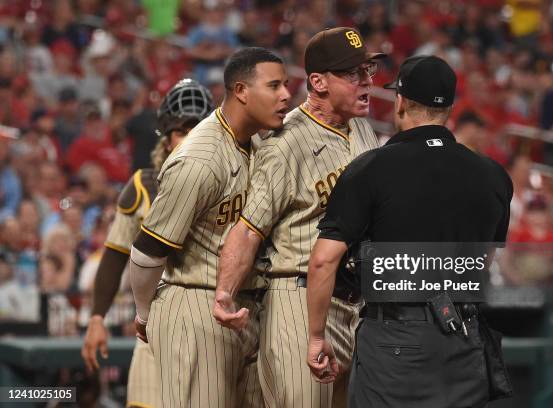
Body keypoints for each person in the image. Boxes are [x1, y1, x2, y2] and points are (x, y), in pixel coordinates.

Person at [306, 55, 513, 407]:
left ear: (400, 102)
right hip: (464, 336)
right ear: (449, 106)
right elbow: (481, 259)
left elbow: (324, 261)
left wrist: (314, 336)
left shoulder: (370, 168)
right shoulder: (493, 175)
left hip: (395, 338)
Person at [213, 28, 382, 408]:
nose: (368, 82)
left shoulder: (364, 130)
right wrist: (225, 292)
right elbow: (249, 228)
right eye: (354, 74)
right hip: (299, 299)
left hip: (360, 306)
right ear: (318, 82)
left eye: (368, 70)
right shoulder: (285, 144)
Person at [129, 47, 290, 408]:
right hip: (196, 303)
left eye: (286, 85)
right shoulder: (199, 159)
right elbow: (146, 251)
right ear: (241, 91)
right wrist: (144, 313)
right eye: (275, 85)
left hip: (249, 308)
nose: (285, 95)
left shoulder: (262, 142)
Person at [81, 78, 214, 408]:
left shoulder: (236, 177)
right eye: (183, 130)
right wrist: (97, 318)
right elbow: (114, 254)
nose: (191, 138)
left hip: (214, 323)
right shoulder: (144, 185)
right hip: (153, 325)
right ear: (167, 138)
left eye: (198, 128)